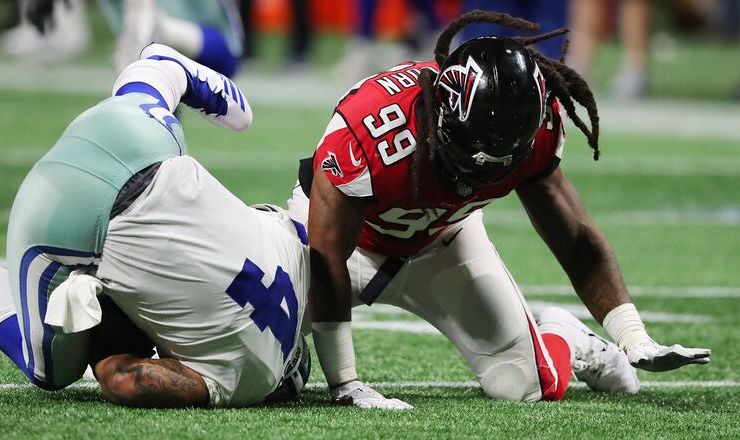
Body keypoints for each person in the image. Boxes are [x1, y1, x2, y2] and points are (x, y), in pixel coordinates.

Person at [288, 10, 711, 409]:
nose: (481, 175)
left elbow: (575, 239)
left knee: (523, 384)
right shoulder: (370, 128)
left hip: (444, 240)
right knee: (252, 337)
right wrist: (344, 382)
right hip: (346, 242)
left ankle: (564, 334)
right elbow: (327, 258)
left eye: (501, 160)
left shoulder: (533, 127)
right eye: (474, 154)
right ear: (444, 115)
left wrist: (632, 336)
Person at [0, 43, 310, 408]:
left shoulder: (295, 255)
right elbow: (129, 381)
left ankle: (161, 71)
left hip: (143, 136)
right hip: (60, 217)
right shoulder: (246, 381)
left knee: (158, 110)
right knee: (49, 372)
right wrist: (108, 347)